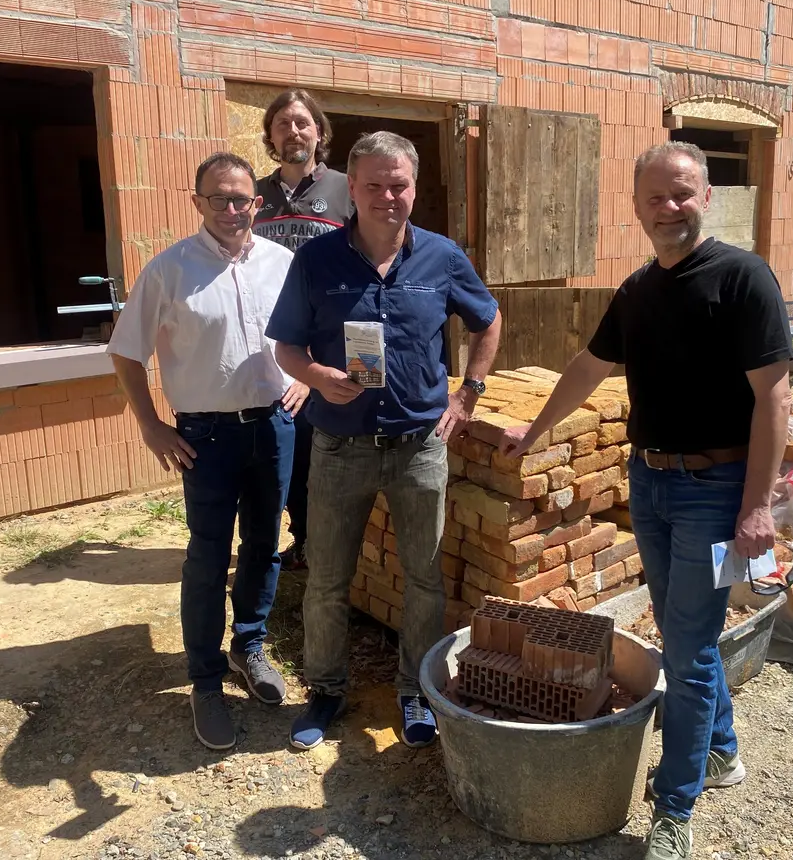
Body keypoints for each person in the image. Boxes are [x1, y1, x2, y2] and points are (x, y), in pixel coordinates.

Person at [495, 142, 792, 860]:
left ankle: (675, 807)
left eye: (684, 193)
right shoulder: (635, 292)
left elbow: (773, 398)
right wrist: (532, 430)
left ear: (707, 197)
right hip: (650, 483)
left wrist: (757, 507)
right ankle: (721, 753)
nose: (670, 208)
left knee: (684, 650)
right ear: (636, 206)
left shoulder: (743, 278)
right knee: (685, 634)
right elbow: (588, 369)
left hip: (717, 493)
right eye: (656, 197)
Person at [266, 131, 503, 752]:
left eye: (398, 184)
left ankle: (415, 691)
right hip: (340, 445)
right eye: (373, 184)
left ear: (414, 187)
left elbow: (489, 319)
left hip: (418, 445)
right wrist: (316, 376)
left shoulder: (442, 257)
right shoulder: (316, 261)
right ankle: (326, 689)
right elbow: (286, 345)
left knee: (424, 578)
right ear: (353, 188)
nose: (387, 196)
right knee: (326, 578)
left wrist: (468, 392)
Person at [107, 152, 309, 752]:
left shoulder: (282, 263)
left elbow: (310, 332)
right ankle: (205, 681)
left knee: (265, 545)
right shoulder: (169, 270)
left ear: (257, 204)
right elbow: (125, 351)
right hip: (206, 438)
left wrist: (302, 379)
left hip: (275, 426)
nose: (230, 208)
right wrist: (150, 425)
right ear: (197, 201)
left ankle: (249, 645)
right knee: (206, 555)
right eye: (217, 197)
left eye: (240, 198)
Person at [252, 89, 353, 573]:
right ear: (270, 136)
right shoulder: (255, 197)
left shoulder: (347, 189)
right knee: (283, 455)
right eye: (282, 125)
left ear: (319, 131)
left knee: (321, 451)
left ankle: (324, 543)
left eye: (302, 123)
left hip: (321, 347)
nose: (293, 132)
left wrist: (309, 358)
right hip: (267, 346)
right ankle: (302, 538)